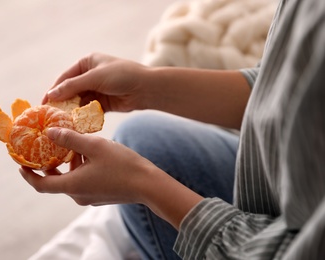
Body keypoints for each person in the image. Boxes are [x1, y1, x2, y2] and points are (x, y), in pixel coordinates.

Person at [20, 0, 325, 259]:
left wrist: (143, 185)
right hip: (288, 186)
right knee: (141, 136)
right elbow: (290, 88)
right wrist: (149, 86)